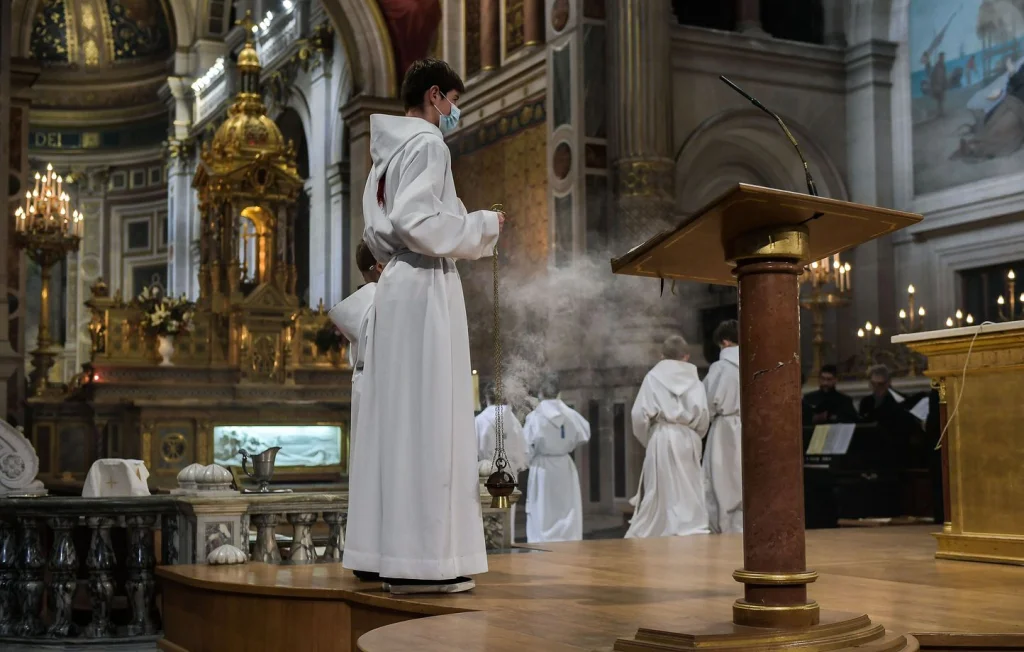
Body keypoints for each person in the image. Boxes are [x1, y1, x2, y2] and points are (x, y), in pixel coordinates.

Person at [343, 58, 504, 595]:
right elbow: (419, 222)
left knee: (397, 421)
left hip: (396, 288)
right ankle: (426, 561)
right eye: (453, 100)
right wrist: (484, 225)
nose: (455, 112)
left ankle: (379, 550)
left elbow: (384, 230)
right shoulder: (429, 145)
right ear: (435, 96)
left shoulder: (382, 159)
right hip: (424, 286)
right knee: (430, 418)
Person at [328, 241, 383, 581]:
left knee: (369, 475)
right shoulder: (380, 304)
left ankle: (369, 553)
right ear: (380, 266)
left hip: (368, 388)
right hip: (379, 390)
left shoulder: (366, 302)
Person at [625, 335, 711, 539]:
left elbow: (639, 415)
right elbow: (704, 416)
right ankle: (688, 525)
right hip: (687, 435)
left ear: (662, 355)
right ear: (686, 356)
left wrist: (649, 438)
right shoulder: (695, 381)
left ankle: (663, 525)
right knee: (688, 485)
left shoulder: (653, 377)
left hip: (661, 435)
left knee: (662, 487)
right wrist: (694, 436)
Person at [523, 374, 591, 543]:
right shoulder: (570, 414)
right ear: (559, 392)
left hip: (543, 468)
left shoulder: (535, 416)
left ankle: (542, 543)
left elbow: (525, 445)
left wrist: (530, 459)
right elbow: (584, 434)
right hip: (564, 465)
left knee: (543, 510)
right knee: (566, 509)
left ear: (540, 393)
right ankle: (568, 541)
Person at [702, 319, 742, 534]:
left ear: (725, 342)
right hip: (748, 427)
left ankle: (722, 527)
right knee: (742, 479)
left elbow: (705, 402)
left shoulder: (720, 367)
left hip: (724, 429)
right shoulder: (753, 364)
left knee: (721, 479)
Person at [476, 382, 528, 478]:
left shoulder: (479, 420)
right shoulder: (513, 419)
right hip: (510, 471)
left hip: (487, 472)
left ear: (486, 398)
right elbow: (522, 447)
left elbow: (473, 451)